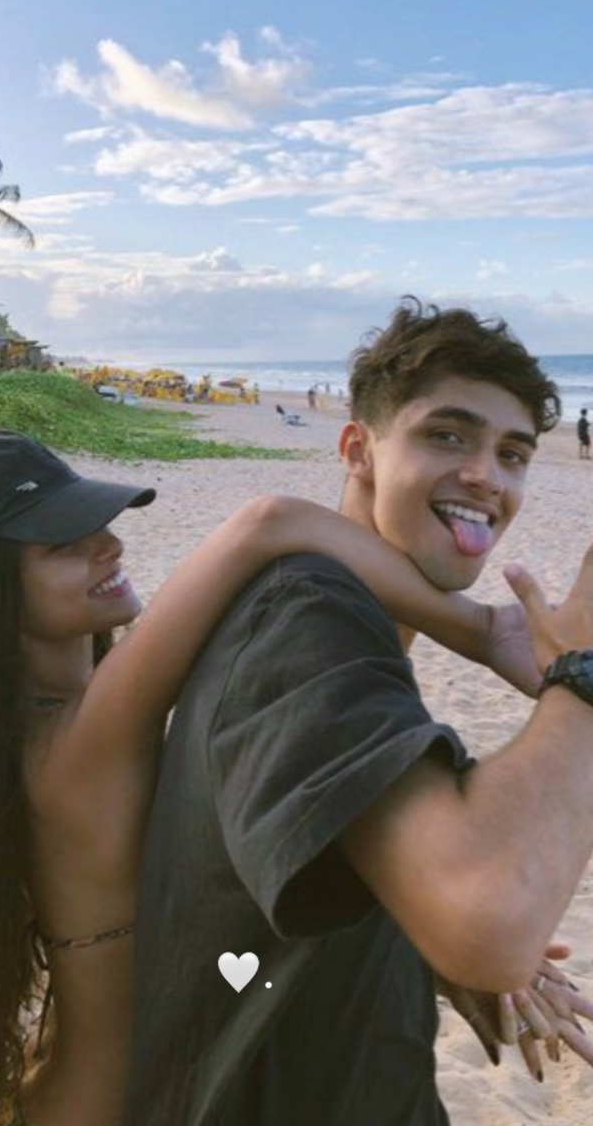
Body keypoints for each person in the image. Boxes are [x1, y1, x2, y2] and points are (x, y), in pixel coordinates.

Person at [0, 424, 572, 1126]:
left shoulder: (20, 741)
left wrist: (430, 939)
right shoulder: (81, 746)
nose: (110, 546)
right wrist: (481, 629)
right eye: (63, 545)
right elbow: (267, 524)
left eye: (99, 523)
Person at [123, 298, 593, 1126]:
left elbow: (297, 869)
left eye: (512, 453)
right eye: (447, 435)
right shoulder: (308, 621)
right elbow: (489, 919)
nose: (487, 475)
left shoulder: (345, 620)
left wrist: (416, 927)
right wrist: (581, 678)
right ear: (358, 451)